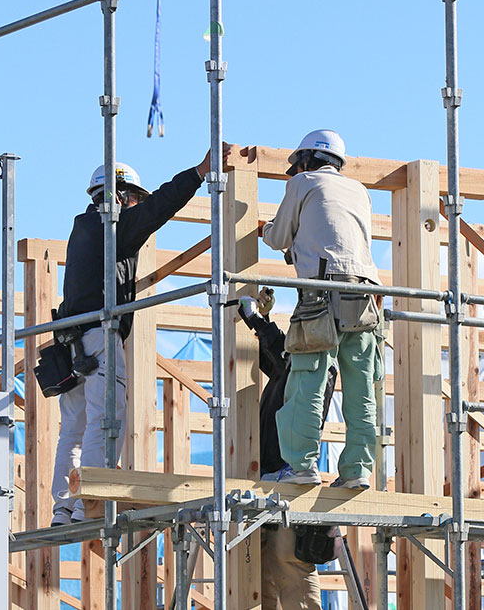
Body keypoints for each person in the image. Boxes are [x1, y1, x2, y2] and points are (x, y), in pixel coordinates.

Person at [50, 147, 230, 526]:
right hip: (99, 336)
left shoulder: (82, 229)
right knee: (107, 419)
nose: (135, 207)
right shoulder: (111, 227)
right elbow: (159, 208)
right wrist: (199, 171)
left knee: (75, 427)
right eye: (132, 199)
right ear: (118, 195)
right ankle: (90, 505)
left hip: (73, 341)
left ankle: (64, 508)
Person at [261, 129, 381, 489]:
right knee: (361, 384)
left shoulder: (302, 183)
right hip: (364, 294)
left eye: (297, 166)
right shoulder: (359, 192)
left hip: (320, 292)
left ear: (308, 161)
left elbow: (279, 237)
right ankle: (358, 471)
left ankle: (302, 466)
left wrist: (265, 230)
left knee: (308, 378)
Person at [237, 291, 333, 610]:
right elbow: (275, 359)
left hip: (290, 480)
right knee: (262, 568)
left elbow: (281, 358)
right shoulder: (292, 368)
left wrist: (255, 319)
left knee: (289, 561)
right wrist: (261, 321)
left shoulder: (316, 368)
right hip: (270, 476)